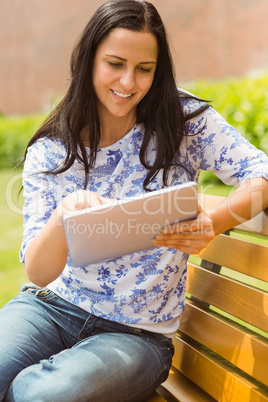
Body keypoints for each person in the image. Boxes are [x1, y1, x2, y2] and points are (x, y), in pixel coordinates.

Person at [1, 0, 268, 400]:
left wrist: (215, 222)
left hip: (136, 337)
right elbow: (39, 273)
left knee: (38, 394)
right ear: (88, 60)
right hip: (50, 308)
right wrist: (64, 216)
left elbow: (260, 173)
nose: (128, 83)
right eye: (115, 64)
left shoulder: (182, 120)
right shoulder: (54, 148)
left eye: (145, 69)